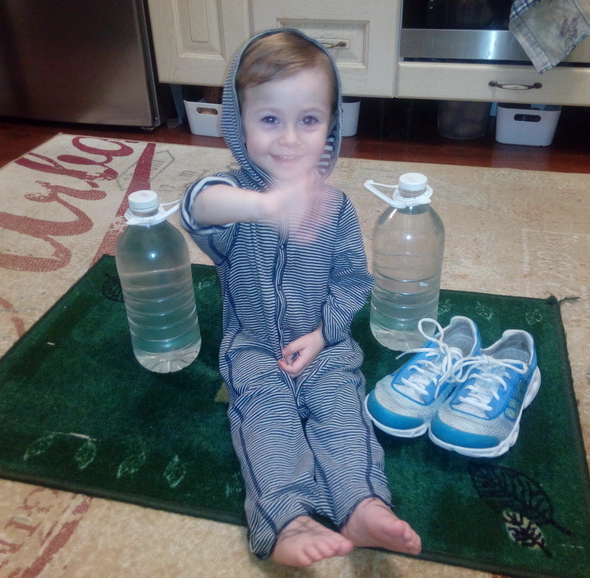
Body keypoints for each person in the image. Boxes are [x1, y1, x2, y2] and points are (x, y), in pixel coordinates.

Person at [179, 28, 421, 567]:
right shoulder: (233, 197)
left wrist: (323, 335)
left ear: (331, 127)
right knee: (266, 420)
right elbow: (196, 206)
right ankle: (287, 519)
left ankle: (362, 504)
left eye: (308, 120)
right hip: (253, 348)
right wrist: (261, 207)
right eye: (270, 119)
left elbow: (351, 281)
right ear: (238, 123)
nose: (289, 138)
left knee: (341, 409)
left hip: (322, 345)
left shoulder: (336, 208)